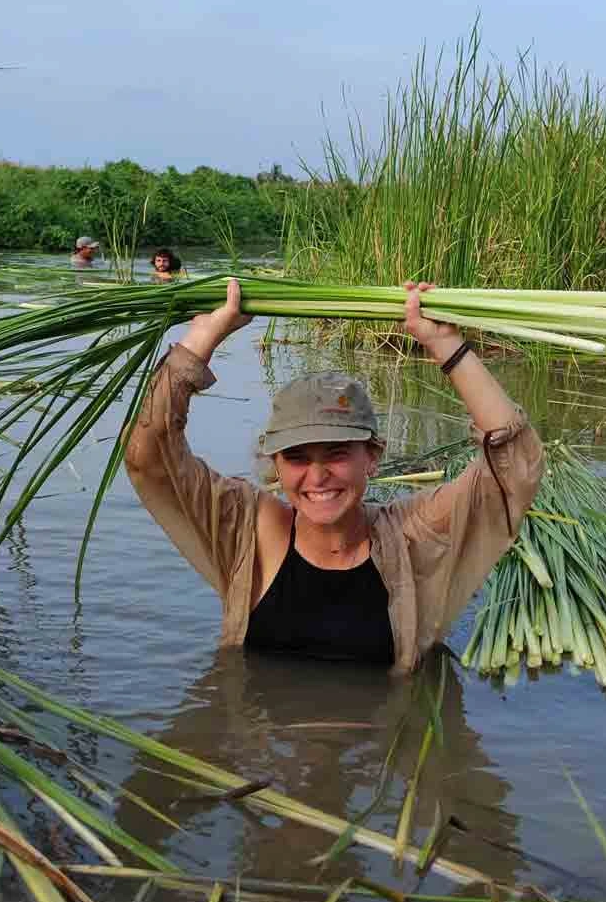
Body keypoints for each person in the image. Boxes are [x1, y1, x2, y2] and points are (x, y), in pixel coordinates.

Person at [123, 279, 544, 672]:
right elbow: (148, 457)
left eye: (338, 453)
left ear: (372, 457)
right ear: (276, 466)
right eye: (297, 457)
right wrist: (203, 337)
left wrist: (446, 345)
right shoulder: (250, 533)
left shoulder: (414, 538)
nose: (318, 475)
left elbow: (515, 467)